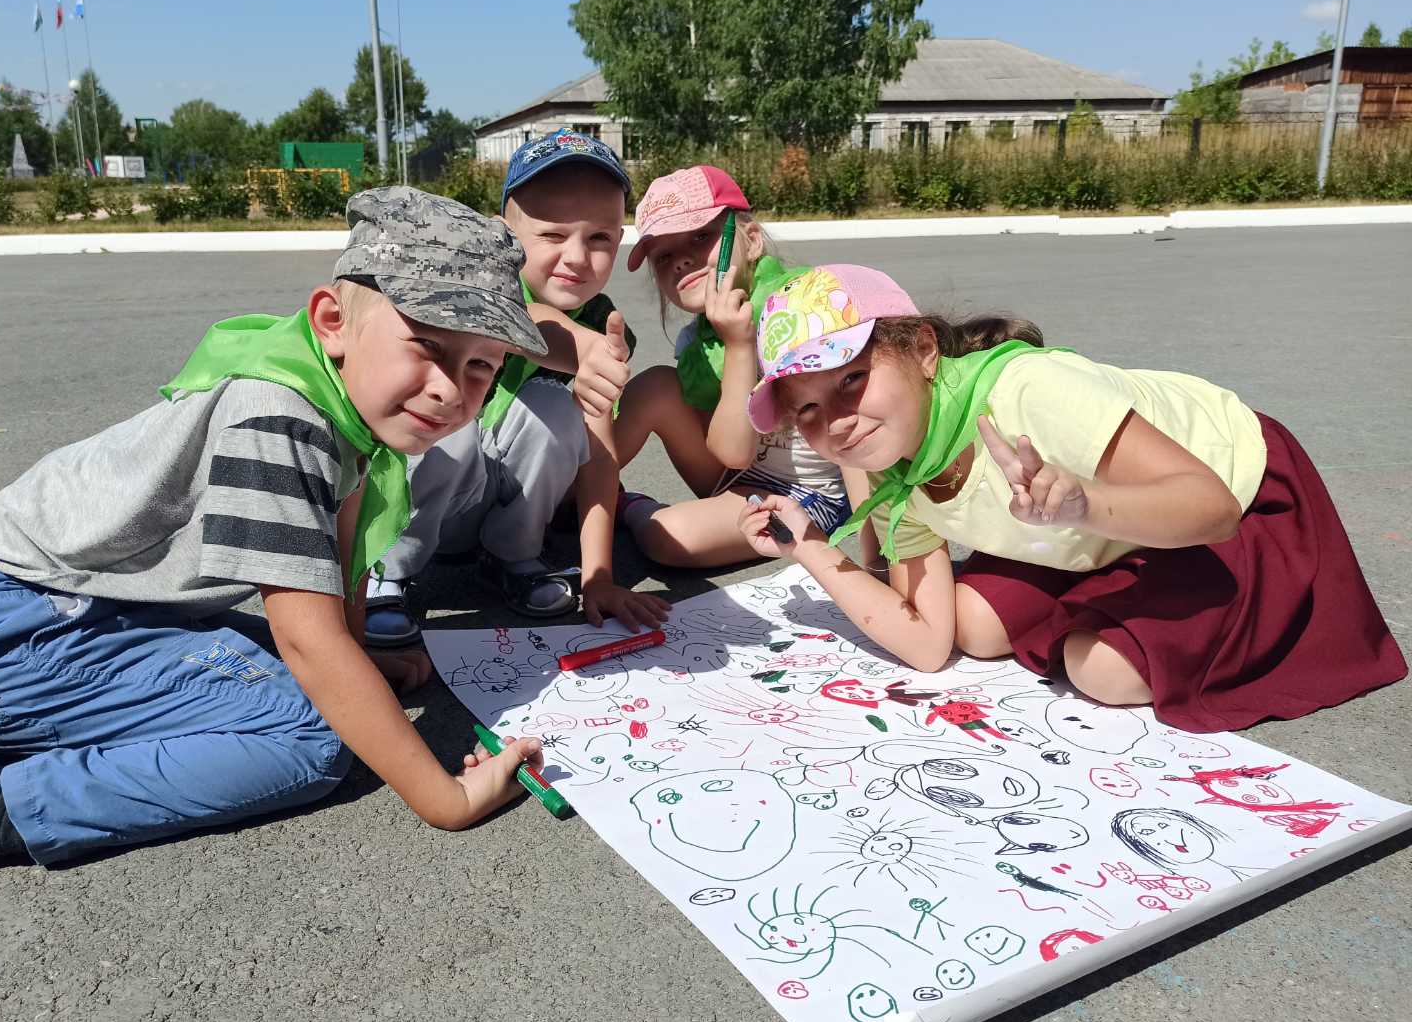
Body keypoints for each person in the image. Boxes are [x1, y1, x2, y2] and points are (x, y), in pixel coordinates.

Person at [0, 187, 554, 878]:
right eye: (427, 346)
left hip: (54, 611)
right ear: (333, 321)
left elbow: (341, 552)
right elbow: (307, 640)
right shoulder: (281, 415)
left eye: (480, 368)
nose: (450, 389)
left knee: (328, 685)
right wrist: (444, 797)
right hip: (0, 632)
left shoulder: (340, 402)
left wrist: (357, 655)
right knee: (309, 734)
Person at [735, 262, 1405, 732]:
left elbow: (1213, 508)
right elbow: (929, 644)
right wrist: (810, 547)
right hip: (1089, 523)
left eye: (852, 379)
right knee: (974, 625)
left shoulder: (1029, 393)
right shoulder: (895, 473)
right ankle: (1097, 568)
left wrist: (1085, 506)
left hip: (1234, 496)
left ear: (924, 349)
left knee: (1101, 670)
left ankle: (1111, 578)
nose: (837, 422)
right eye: (807, 409)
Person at [365, 129, 667, 645]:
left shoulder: (605, 328)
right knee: (446, 411)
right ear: (504, 235)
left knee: (557, 410)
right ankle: (385, 570)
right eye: (552, 235)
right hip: (413, 502)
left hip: (494, 505)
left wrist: (599, 576)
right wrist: (579, 345)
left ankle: (514, 558)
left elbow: (599, 458)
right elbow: (528, 320)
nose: (577, 257)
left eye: (599, 238)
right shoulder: (468, 288)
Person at [610, 166, 854, 568]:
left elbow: (734, 453)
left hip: (807, 494)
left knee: (667, 536)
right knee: (655, 386)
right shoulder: (698, 342)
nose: (681, 261)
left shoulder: (803, 312)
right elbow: (727, 453)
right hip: (736, 477)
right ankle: (571, 497)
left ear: (752, 241)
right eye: (663, 256)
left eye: (701, 237)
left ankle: (630, 506)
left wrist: (740, 345)